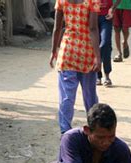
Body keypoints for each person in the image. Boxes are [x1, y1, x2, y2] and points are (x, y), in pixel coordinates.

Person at [50, 0, 101, 134]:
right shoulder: (93, 1)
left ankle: (65, 131)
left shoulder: (61, 1)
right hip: (87, 53)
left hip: (68, 53)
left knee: (67, 96)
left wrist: (53, 51)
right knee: (90, 96)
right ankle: (95, 129)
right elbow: (93, 28)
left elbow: (57, 27)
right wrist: (98, 56)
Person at [96, 0, 121, 87]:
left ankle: (107, 75)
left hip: (106, 17)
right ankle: (98, 76)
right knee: (95, 45)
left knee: (105, 44)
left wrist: (112, 9)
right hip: (92, 16)